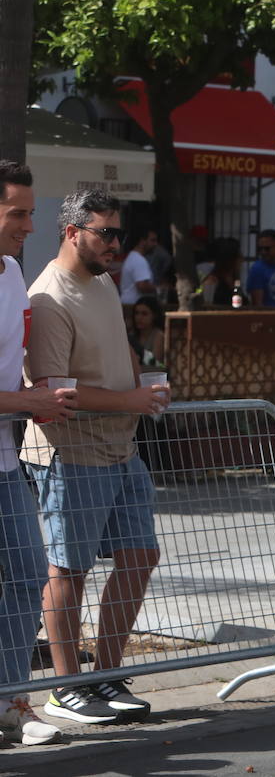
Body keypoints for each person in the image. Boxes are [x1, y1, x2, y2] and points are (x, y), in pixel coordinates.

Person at [25, 190, 170, 725]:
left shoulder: (104, 281)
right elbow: (53, 391)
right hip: (71, 450)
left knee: (141, 555)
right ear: (72, 232)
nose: (115, 244)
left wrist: (143, 382)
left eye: (118, 234)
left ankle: (105, 675)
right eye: (105, 233)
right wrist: (132, 400)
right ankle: (66, 687)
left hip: (120, 446)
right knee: (69, 570)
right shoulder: (48, 298)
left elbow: (121, 343)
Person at [0, 160, 71, 746]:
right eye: (17, 213)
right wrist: (28, 400)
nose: (29, 225)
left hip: (4, 461)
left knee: (28, 575)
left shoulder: (11, 272)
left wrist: (35, 396)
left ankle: (10, 701)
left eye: (30, 212)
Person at [116, 227, 158, 307]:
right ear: (142, 241)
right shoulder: (138, 260)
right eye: (152, 240)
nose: (155, 244)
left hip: (129, 304)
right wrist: (160, 289)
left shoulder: (134, 257)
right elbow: (142, 286)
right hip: (132, 306)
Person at [200, 237, 242, 308]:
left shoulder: (235, 281)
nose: (242, 260)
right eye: (239, 257)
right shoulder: (211, 281)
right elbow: (207, 306)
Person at [127, 296, 165, 368]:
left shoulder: (158, 335)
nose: (139, 317)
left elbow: (156, 365)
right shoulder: (131, 336)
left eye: (144, 314)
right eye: (136, 313)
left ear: (154, 315)